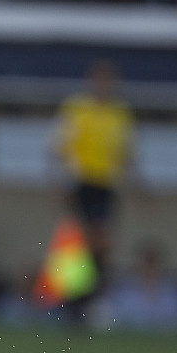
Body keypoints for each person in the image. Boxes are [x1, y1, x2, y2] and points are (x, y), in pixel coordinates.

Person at [54, 59, 136, 293]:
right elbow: (62, 147)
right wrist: (62, 184)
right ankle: (75, 292)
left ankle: (90, 289)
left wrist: (138, 188)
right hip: (82, 180)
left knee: (101, 241)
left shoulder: (120, 112)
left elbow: (125, 152)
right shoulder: (77, 108)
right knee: (79, 240)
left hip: (106, 182)